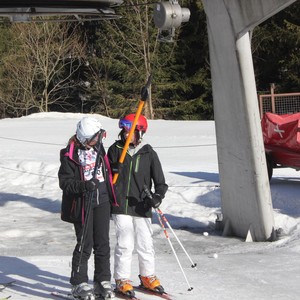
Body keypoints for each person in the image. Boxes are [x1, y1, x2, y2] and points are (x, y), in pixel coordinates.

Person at [107, 113, 168, 298]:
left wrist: (158, 196)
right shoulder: (115, 149)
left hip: (142, 206)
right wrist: (112, 170)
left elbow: (160, 182)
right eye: (125, 132)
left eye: (131, 132)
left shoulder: (148, 153)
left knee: (145, 243)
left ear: (140, 134)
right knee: (125, 244)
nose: (127, 136)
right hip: (121, 205)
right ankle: (122, 279)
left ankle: (147, 276)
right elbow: (105, 176)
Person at [58, 116, 117, 300]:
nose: (99, 140)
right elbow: (65, 183)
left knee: (103, 243)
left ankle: (102, 280)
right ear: (84, 138)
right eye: (95, 137)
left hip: (103, 200)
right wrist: (84, 186)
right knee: (85, 244)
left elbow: (104, 171)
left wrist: (115, 170)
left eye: (100, 137)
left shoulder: (99, 148)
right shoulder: (69, 154)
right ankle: (79, 282)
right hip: (83, 203)